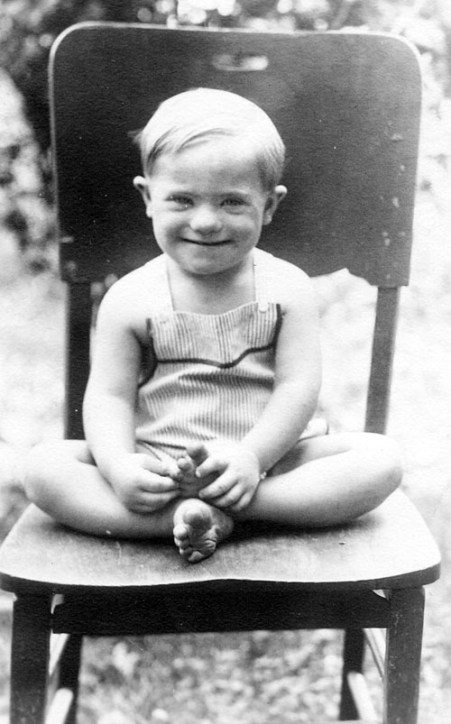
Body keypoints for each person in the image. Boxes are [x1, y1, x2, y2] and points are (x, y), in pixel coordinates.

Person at [25, 88, 402, 563]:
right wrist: (121, 467)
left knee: (381, 461)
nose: (205, 222)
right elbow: (109, 397)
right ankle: (180, 516)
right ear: (148, 197)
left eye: (231, 203)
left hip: (268, 462)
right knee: (43, 468)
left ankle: (236, 511)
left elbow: (298, 388)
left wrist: (252, 459)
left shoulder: (287, 288)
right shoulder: (130, 297)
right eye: (182, 200)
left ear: (269, 205)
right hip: (161, 464)